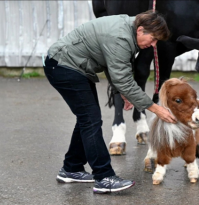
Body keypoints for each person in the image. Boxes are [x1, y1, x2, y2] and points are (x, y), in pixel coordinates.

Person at [43, 10, 176, 194]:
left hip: (71, 66)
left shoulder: (128, 30)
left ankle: (71, 168)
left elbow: (114, 65)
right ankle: (104, 177)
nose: (153, 45)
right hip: (64, 66)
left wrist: (124, 94)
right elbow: (123, 78)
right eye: (153, 39)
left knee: (87, 119)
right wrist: (155, 109)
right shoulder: (121, 37)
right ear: (141, 30)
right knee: (90, 120)